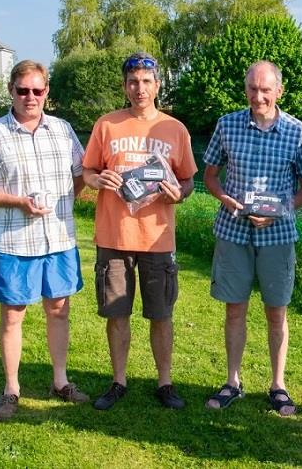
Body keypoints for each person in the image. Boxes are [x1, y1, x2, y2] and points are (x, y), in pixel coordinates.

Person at [0, 59, 89, 421]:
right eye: (23, 90)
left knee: (59, 311)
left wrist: (64, 200)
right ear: (11, 92)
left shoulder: (63, 131)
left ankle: (60, 382)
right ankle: (12, 388)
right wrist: (18, 202)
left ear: (47, 91)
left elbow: (80, 175)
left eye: (37, 90)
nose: (30, 97)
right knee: (13, 315)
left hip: (59, 239)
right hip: (14, 243)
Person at [83, 52, 198, 410]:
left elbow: (188, 180)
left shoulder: (174, 129)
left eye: (147, 82)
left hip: (157, 236)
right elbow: (87, 172)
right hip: (114, 235)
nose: (140, 89)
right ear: (125, 86)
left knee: (161, 314)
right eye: (133, 82)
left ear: (157, 85)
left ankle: (165, 382)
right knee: (117, 313)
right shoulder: (107, 125)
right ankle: (118, 381)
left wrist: (179, 193)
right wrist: (98, 179)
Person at [202, 61, 302, 416]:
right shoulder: (228, 124)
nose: (258, 96)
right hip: (234, 230)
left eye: (266, 89)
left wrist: (281, 210)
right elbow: (210, 177)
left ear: (279, 91)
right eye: (253, 88)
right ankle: (233, 381)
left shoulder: (297, 132)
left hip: (278, 234)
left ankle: (278, 385)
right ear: (246, 89)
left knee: (276, 312)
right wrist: (228, 201)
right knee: (234, 310)